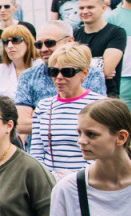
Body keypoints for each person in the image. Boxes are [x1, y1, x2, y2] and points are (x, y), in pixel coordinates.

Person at [14, 21, 106, 136]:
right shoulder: (28, 76)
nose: (43, 49)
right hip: (41, 149)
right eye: (38, 45)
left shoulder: (92, 74)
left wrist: (40, 120)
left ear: (69, 41)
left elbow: (98, 121)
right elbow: (21, 124)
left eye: (50, 43)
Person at [29, 43, 105, 176]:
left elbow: (102, 151)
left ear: (85, 73)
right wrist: (46, 178)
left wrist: (75, 177)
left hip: (87, 180)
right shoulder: (44, 106)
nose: (59, 77)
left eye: (67, 72)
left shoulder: (99, 105)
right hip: (49, 182)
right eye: (53, 71)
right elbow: (36, 153)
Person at [75, 0, 127, 100]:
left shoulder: (116, 32)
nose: (85, 11)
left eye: (90, 7)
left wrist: (78, 68)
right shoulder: (75, 33)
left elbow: (107, 70)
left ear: (103, 8)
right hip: (79, 95)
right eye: (81, 8)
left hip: (107, 96)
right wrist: (99, 65)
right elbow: (66, 65)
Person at [0, 26, 40, 100]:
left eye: (16, 40)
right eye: (5, 42)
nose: (10, 46)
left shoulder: (41, 68)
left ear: (28, 42)